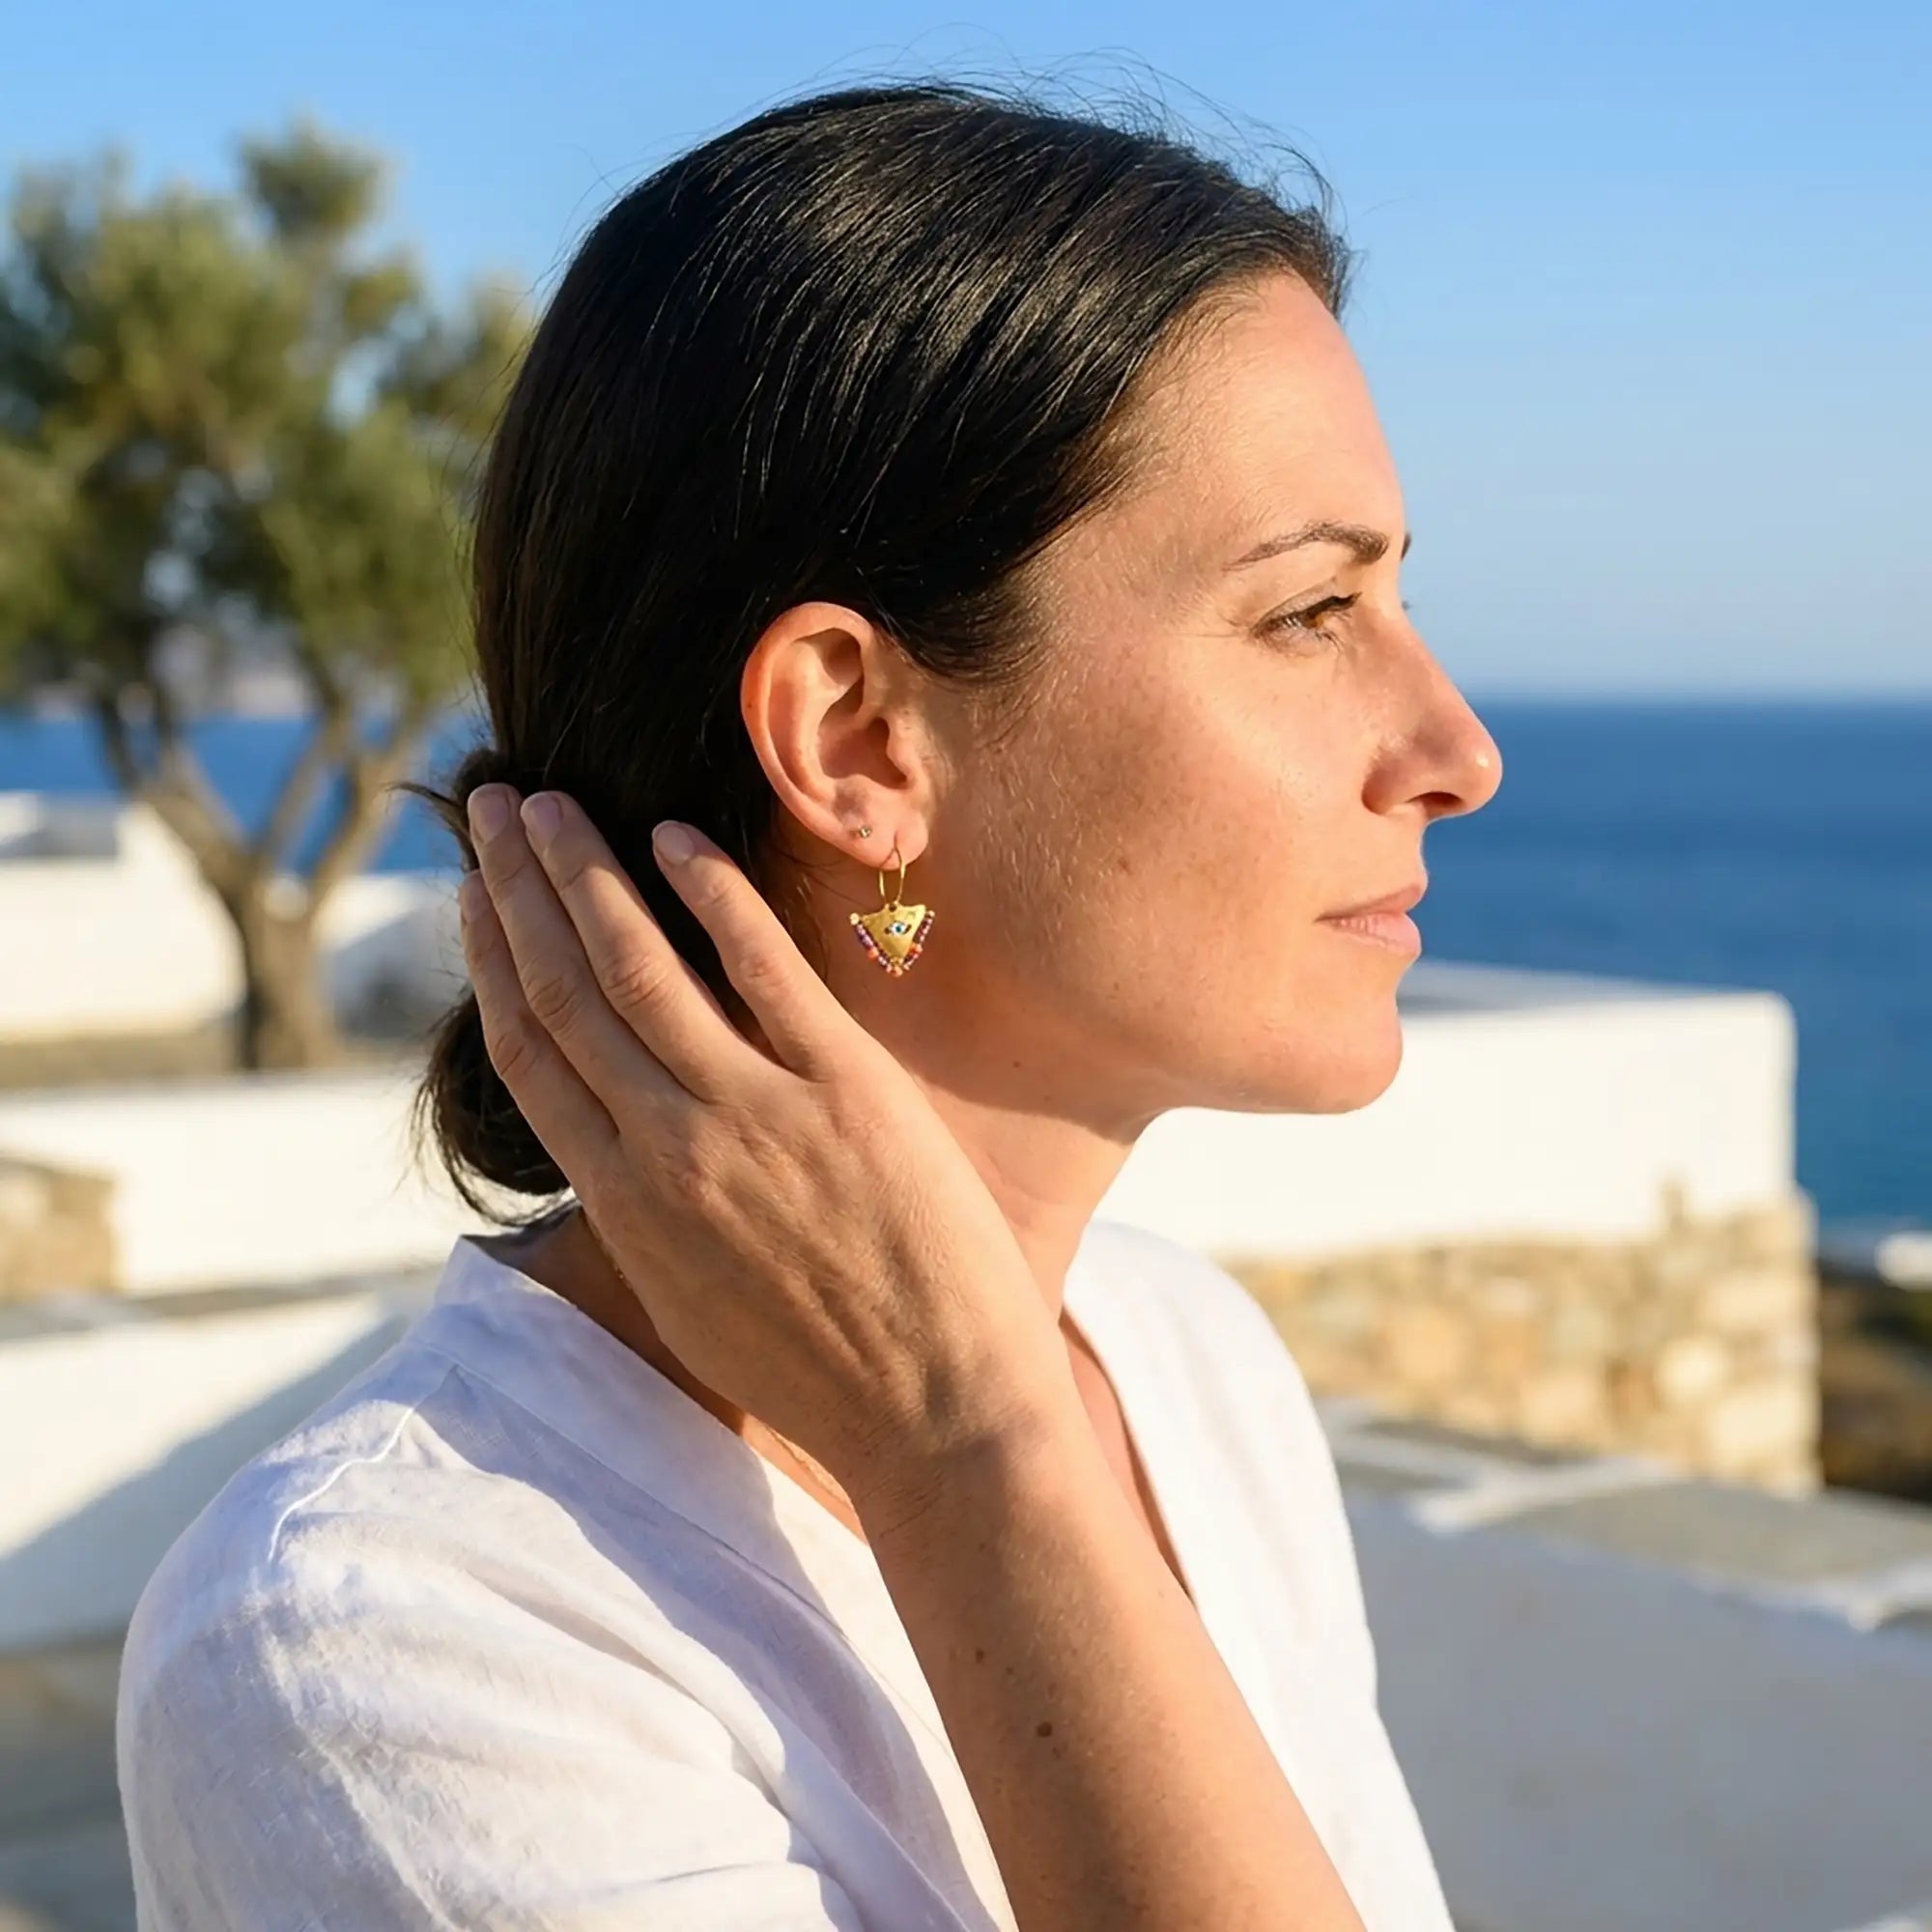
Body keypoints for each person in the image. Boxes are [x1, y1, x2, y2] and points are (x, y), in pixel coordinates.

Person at [116, 75, 1503, 1930]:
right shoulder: (388, 1646)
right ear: (857, 741)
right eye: (1307, 616)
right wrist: (968, 1458)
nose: (1455, 751)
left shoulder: (1187, 1370)